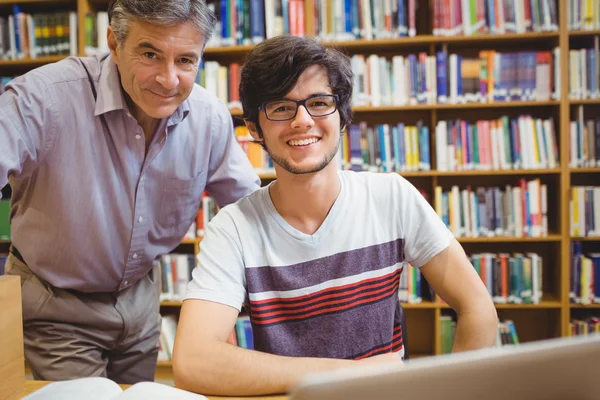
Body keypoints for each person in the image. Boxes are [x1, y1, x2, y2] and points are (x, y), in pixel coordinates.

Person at [172, 35, 498, 396]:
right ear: (253, 128)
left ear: (341, 115)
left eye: (319, 103)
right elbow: (193, 362)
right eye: (281, 107)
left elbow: (477, 308)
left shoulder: (391, 197)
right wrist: (351, 374)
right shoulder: (233, 229)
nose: (303, 120)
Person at [0, 0, 260, 384]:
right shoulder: (41, 98)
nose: (168, 79)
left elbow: (249, 211)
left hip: (140, 301)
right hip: (56, 302)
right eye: (150, 54)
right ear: (114, 44)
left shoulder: (209, 117)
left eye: (186, 60)